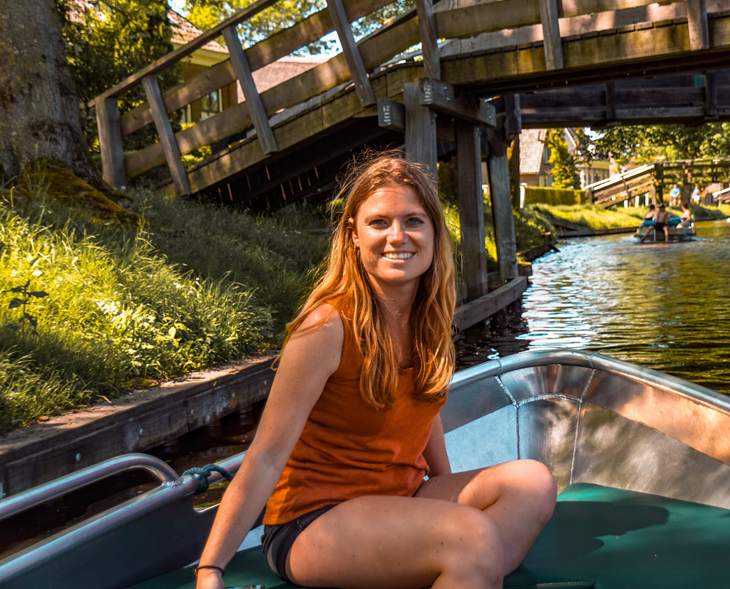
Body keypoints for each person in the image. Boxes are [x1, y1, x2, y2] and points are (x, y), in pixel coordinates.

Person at [194, 155, 557, 589]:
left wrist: (447, 491)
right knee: (472, 538)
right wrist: (210, 568)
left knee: (532, 483)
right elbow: (267, 455)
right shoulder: (326, 329)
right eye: (379, 222)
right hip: (312, 522)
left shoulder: (429, 318)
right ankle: (462, 564)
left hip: (400, 498)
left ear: (434, 233)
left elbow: (424, 412)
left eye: (413, 221)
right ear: (353, 237)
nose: (397, 237)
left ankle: (455, 569)